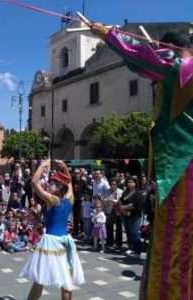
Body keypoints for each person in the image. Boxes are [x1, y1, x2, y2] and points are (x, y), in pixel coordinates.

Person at [90, 23, 192, 299]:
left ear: (171, 50)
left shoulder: (180, 69)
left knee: (173, 239)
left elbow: (140, 57)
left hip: (181, 167)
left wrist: (107, 34)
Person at [20, 160, 84, 300]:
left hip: (51, 242)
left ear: (59, 187)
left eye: (53, 183)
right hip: (66, 240)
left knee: (40, 281)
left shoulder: (53, 200)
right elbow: (70, 184)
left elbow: (35, 183)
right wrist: (65, 168)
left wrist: (42, 165)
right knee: (66, 280)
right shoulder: (70, 199)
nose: (49, 185)